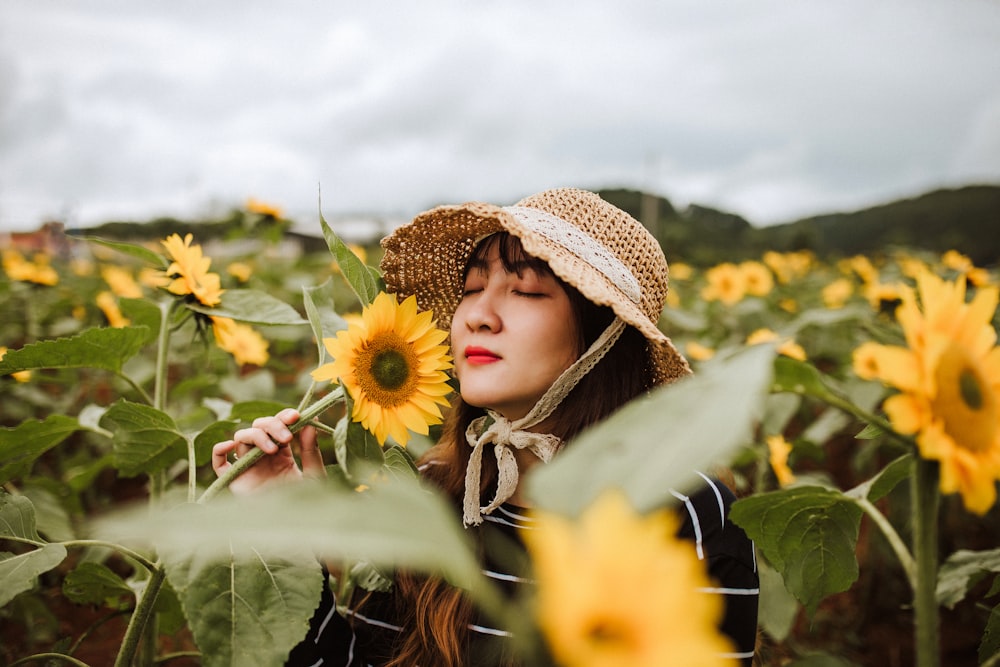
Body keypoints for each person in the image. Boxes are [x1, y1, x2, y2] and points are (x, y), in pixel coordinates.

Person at [212, 188, 759, 666]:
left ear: (604, 337)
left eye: (525, 292)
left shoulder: (684, 511)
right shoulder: (427, 493)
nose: (478, 314)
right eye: (473, 289)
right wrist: (291, 548)